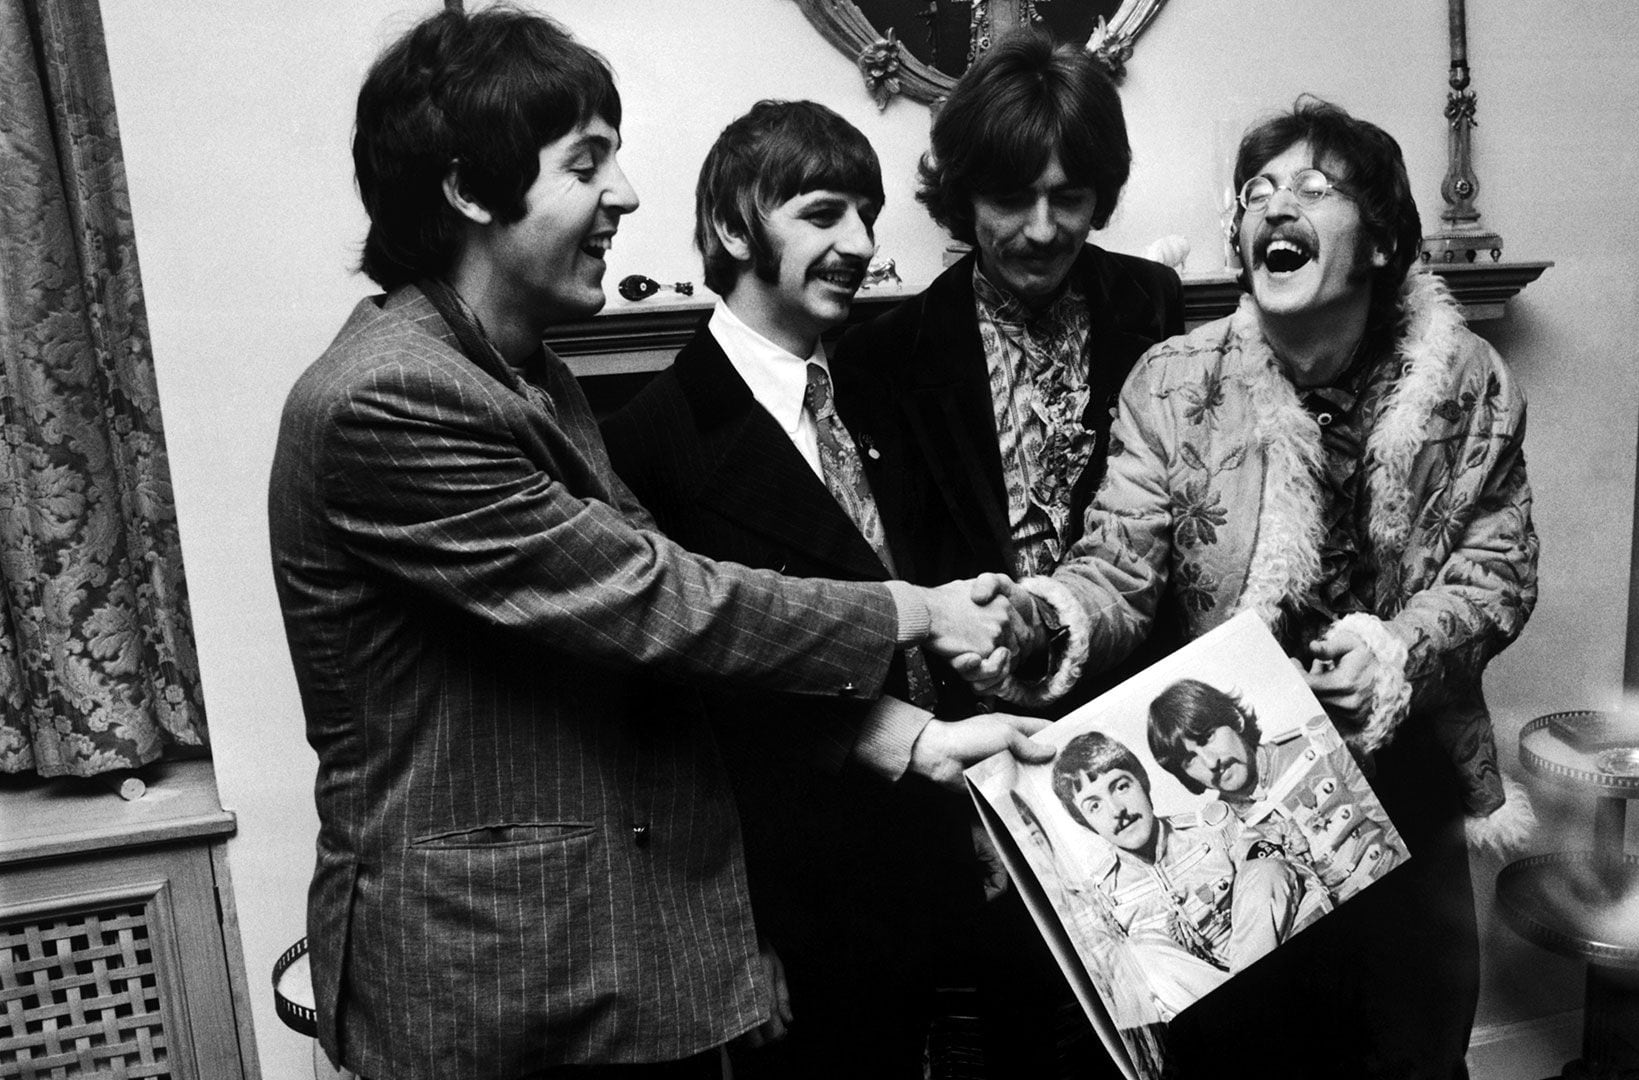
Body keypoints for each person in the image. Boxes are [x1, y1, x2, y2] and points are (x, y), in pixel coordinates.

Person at [267, 11, 1042, 1080]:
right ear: (468, 190)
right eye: (587, 163)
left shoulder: (531, 377)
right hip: (495, 983)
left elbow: (648, 667)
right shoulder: (390, 398)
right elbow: (659, 603)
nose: (627, 193)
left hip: (594, 964)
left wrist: (902, 739)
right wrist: (917, 608)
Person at [985, 96, 1541, 1077]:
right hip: (1229, 787)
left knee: (1411, 1046)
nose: (1273, 207)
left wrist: (1400, 648)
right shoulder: (1174, 381)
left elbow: (1500, 567)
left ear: (1379, 240)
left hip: (1404, 769)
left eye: (1312, 189)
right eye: (1256, 193)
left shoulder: (1467, 379)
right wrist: (1051, 618)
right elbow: (1118, 564)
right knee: (1242, 1059)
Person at [596, 99, 1042, 1080]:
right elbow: (673, 726)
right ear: (730, 228)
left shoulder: (878, 397)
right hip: (798, 926)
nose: (863, 245)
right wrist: (731, 945)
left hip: (946, 877)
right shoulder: (653, 440)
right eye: (825, 213)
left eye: (870, 218)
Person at [832, 27, 1185, 719]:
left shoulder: (1152, 301)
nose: (1044, 229)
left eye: (1070, 197)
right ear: (964, 195)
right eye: (1014, 198)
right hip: (976, 715)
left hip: (1138, 693)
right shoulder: (883, 353)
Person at [1049, 732, 1302, 1015]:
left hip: (1265, 965)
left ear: (1143, 783)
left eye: (1121, 787)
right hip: (1201, 1009)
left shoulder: (1208, 829)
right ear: (1086, 822)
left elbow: (1267, 862)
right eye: (1094, 806)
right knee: (1137, 954)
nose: (1116, 810)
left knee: (1267, 868)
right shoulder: (1105, 896)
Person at [1146, 677, 1400, 916]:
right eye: (1189, 760)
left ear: (1234, 719)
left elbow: (1393, 824)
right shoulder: (1221, 832)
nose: (1211, 762)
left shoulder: (1316, 744)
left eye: (1207, 738)